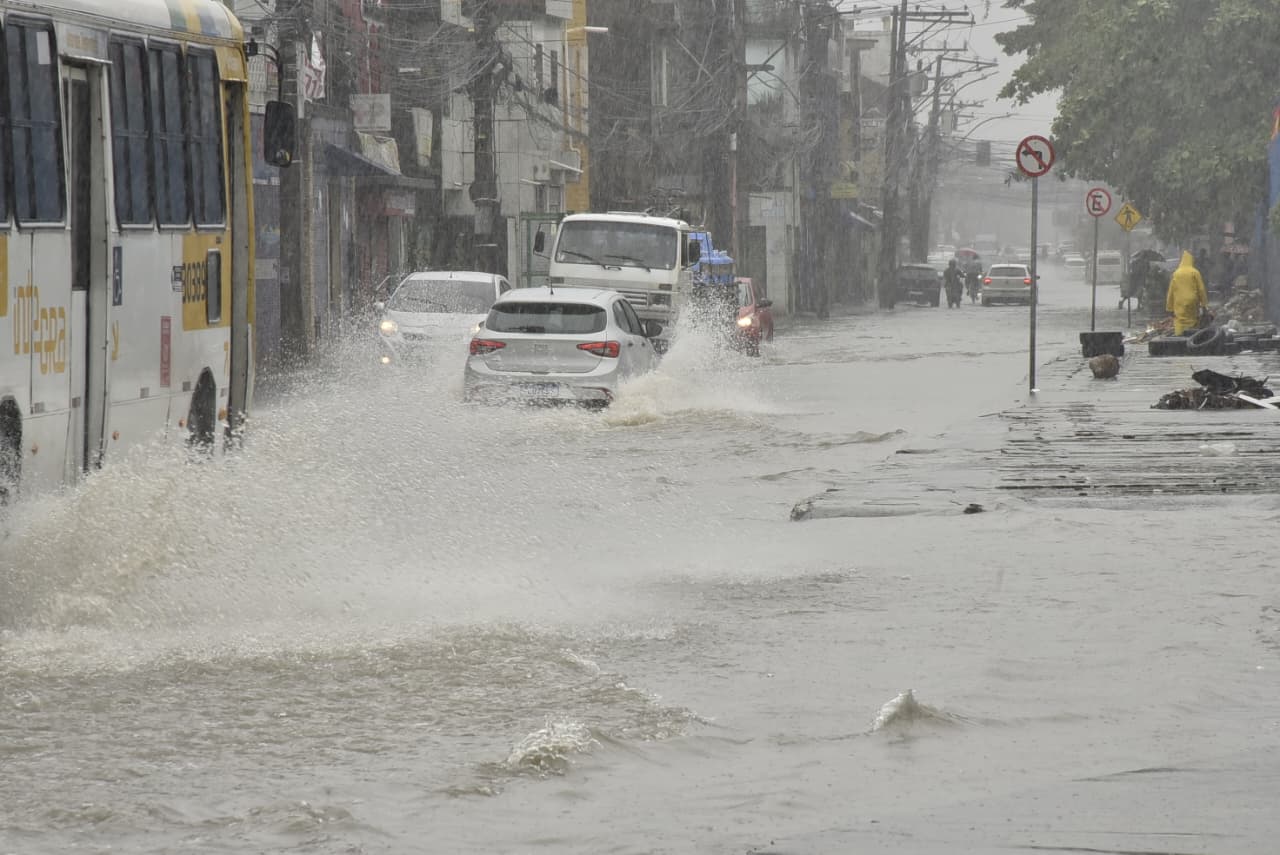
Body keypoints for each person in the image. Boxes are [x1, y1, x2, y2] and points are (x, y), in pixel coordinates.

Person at [1166, 250, 1209, 334]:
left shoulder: (1176, 273)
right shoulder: (1195, 272)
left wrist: (1169, 308)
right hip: (1192, 301)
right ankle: (1191, 336)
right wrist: (1204, 305)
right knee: (1192, 320)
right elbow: (1201, 289)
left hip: (1179, 302)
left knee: (1179, 321)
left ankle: (1179, 335)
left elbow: (1171, 291)